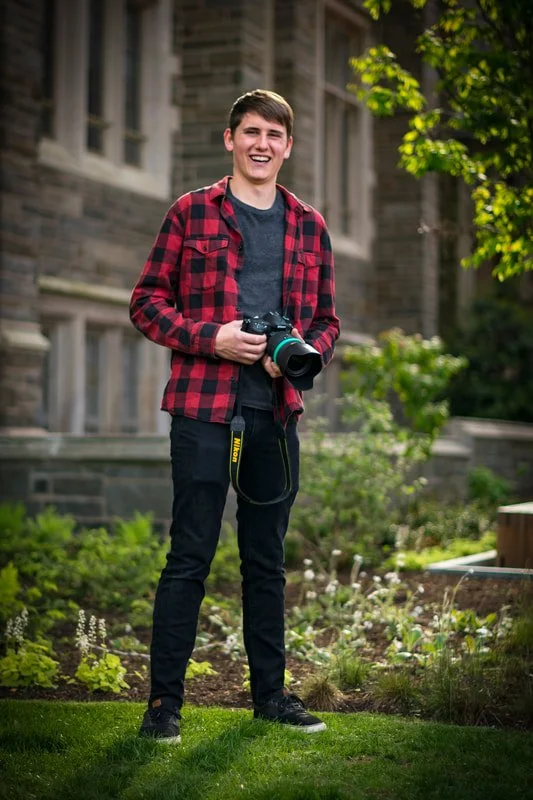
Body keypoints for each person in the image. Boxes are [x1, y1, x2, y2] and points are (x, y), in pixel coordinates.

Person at [130, 89, 340, 743]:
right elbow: (144, 303)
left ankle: (270, 698)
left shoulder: (310, 225)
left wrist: (300, 356)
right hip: (201, 405)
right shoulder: (191, 212)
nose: (261, 144)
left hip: (274, 412)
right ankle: (163, 705)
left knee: (265, 561)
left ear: (287, 146)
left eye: (273, 135)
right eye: (250, 131)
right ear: (229, 139)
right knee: (189, 555)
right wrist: (209, 338)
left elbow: (328, 322)